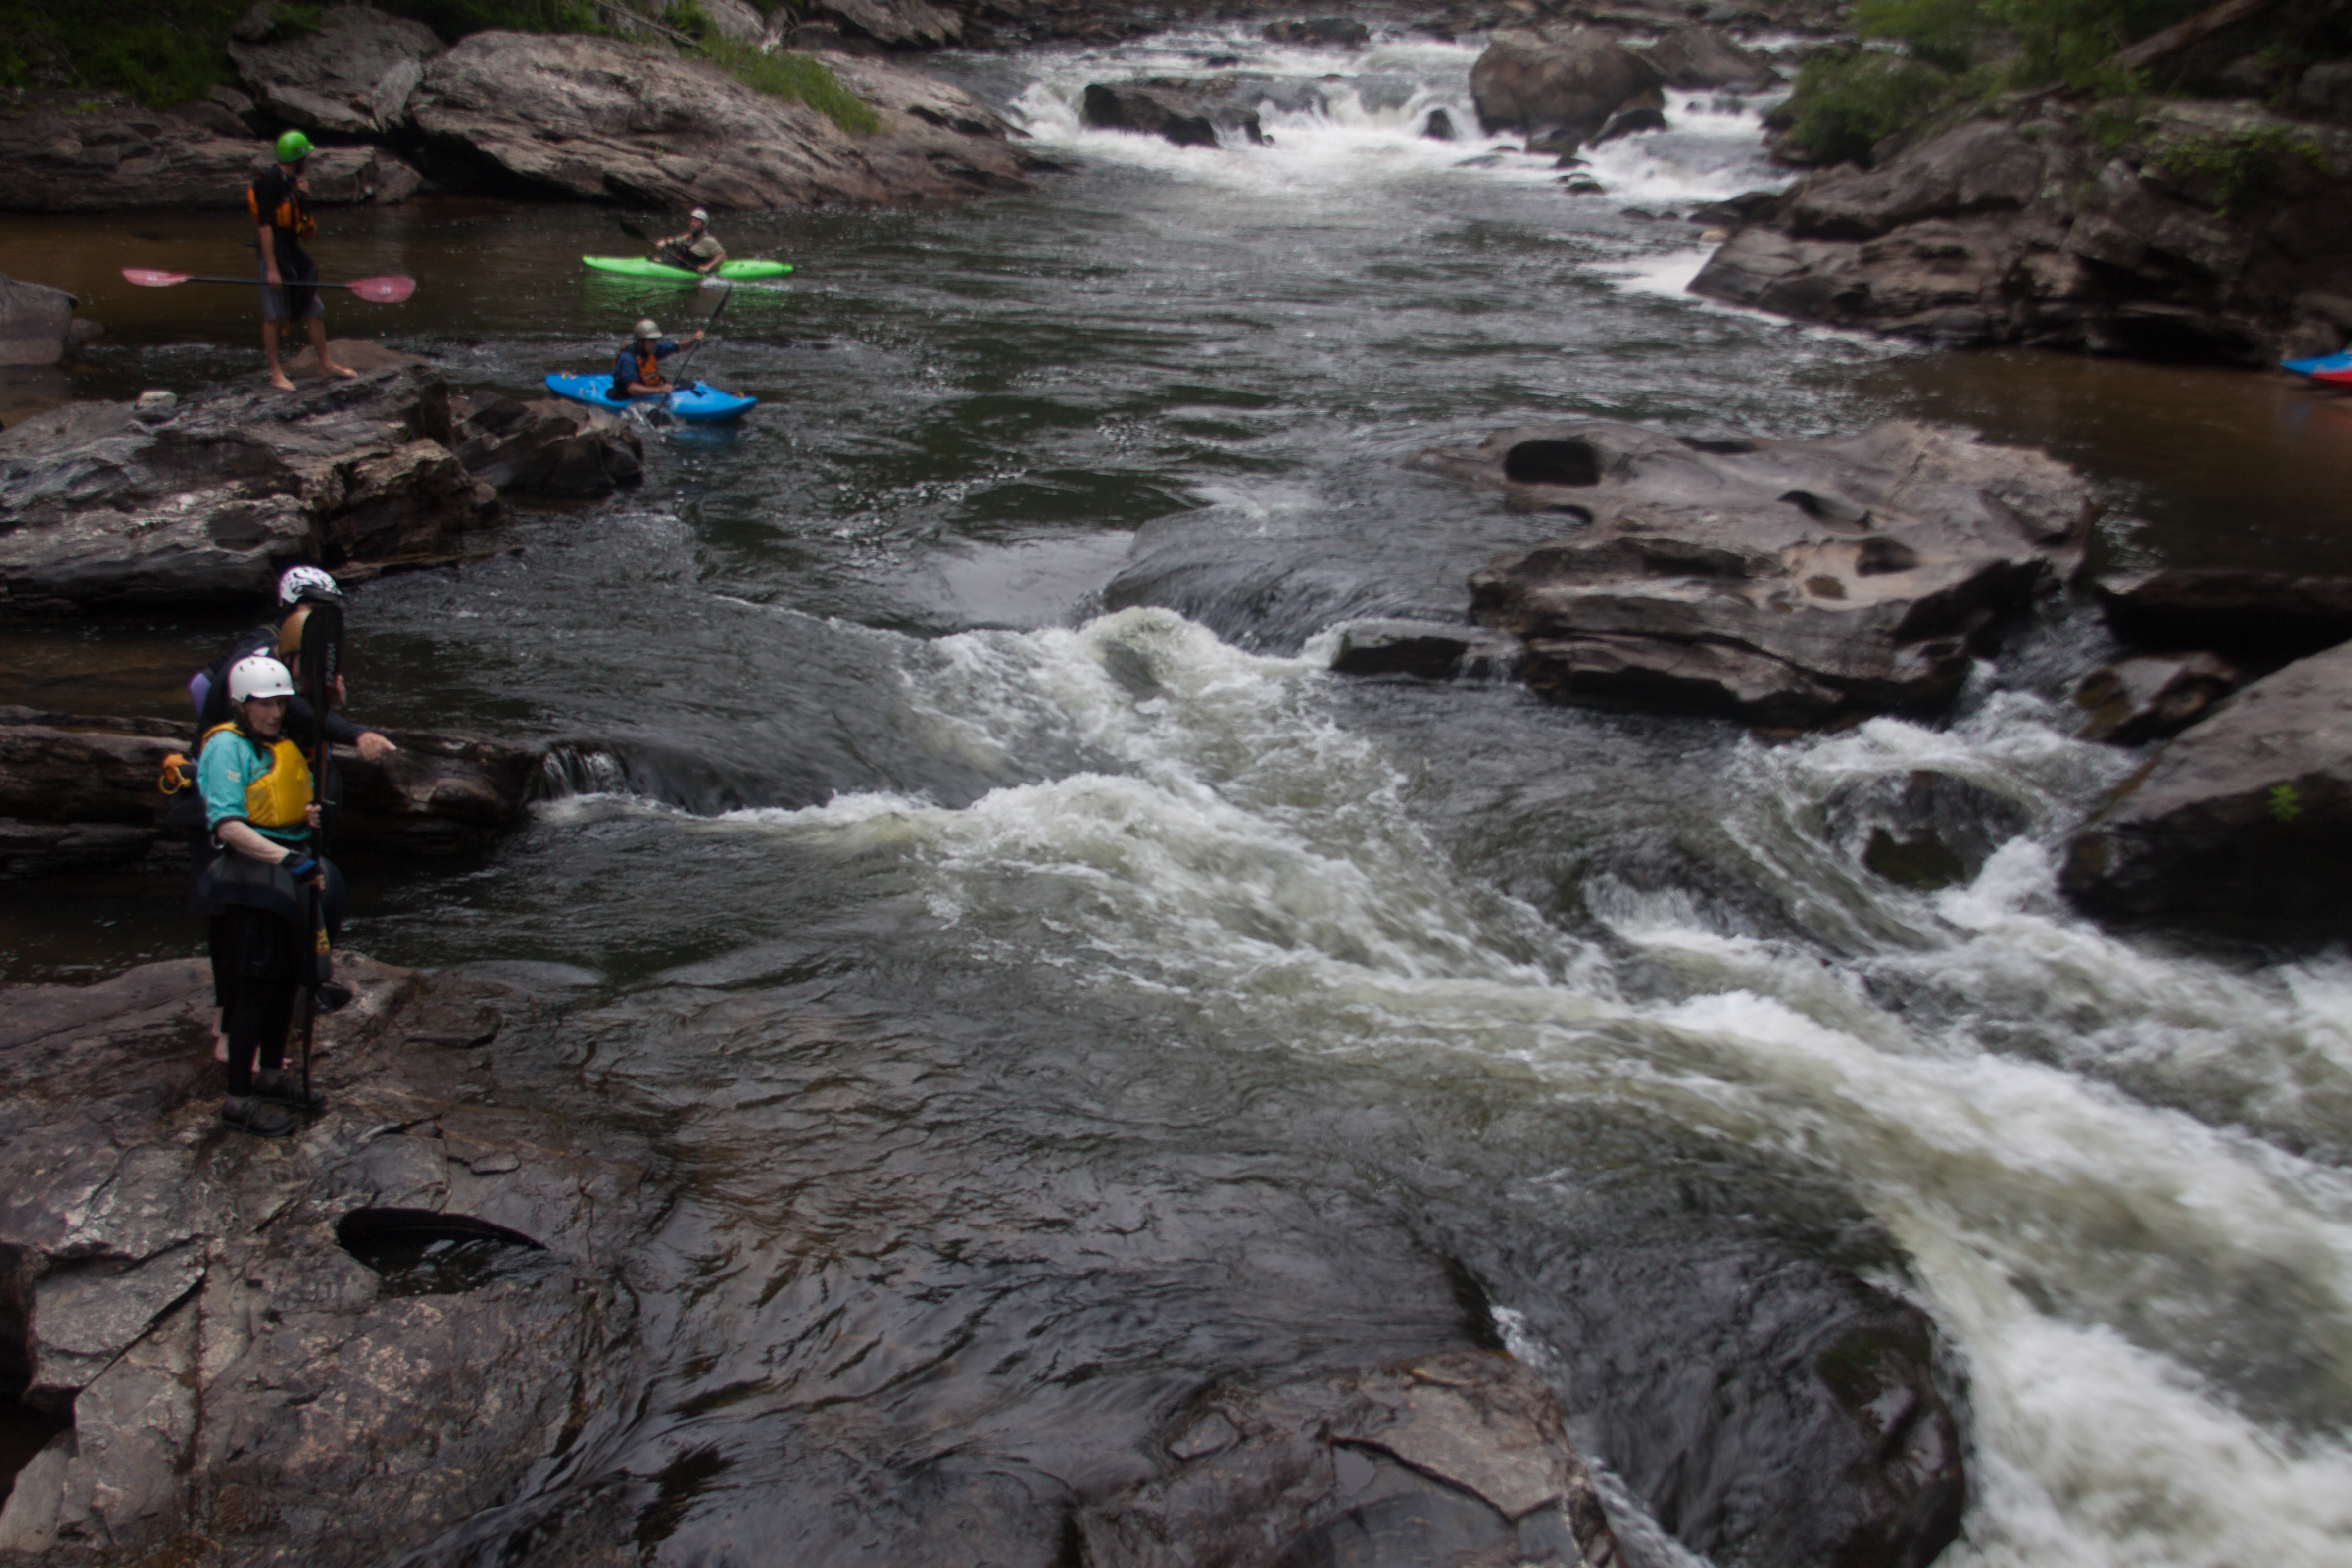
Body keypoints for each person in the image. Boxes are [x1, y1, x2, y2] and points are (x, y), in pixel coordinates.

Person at [195, 653, 342, 1136]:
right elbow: (229, 825)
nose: (274, 713)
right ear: (242, 704)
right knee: (255, 989)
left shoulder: (280, 746)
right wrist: (288, 860)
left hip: (290, 872)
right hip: (252, 880)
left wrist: (310, 818)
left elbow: (288, 803)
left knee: (287, 981)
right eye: (264, 705)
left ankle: (273, 1076)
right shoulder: (227, 747)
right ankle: (239, 1099)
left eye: (280, 704)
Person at [248, 129, 357, 392]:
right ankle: (276, 374)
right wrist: (272, 269)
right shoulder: (269, 183)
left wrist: (305, 198)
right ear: (297, 158)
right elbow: (265, 229)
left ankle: (326, 364)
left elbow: (302, 227)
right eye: (305, 157)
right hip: (273, 254)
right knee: (273, 315)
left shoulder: (293, 182)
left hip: (292, 252)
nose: (307, 162)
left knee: (315, 309)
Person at [612, 317, 704, 397]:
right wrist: (659, 390)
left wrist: (694, 341)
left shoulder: (651, 349)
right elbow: (632, 389)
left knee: (688, 384)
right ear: (641, 342)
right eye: (652, 341)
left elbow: (678, 347)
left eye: (656, 340)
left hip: (652, 390)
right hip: (629, 397)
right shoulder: (628, 359)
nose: (655, 344)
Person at [654, 208, 727, 275]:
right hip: (682, 266)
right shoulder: (689, 237)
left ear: (704, 225)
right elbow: (674, 241)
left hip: (695, 272)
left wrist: (707, 267)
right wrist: (664, 242)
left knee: (657, 262)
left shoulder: (709, 241)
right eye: (692, 221)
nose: (693, 224)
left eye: (696, 222)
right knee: (654, 260)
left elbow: (722, 256)